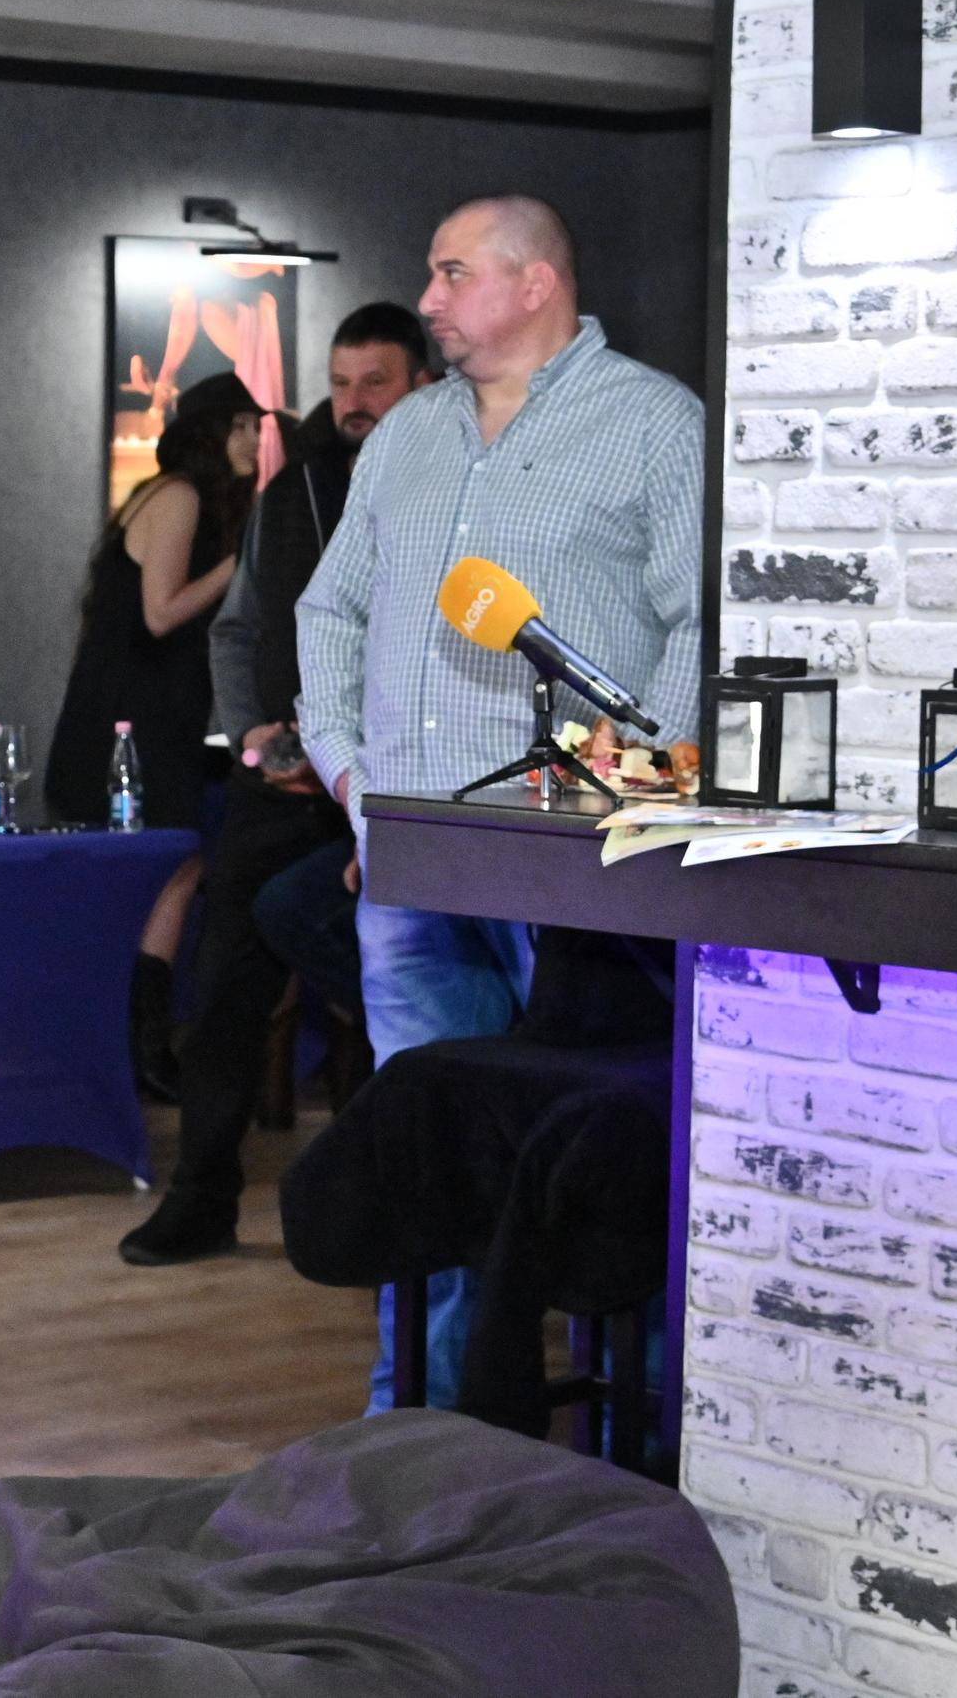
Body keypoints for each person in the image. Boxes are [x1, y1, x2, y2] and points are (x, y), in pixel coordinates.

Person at [297, 195, 700, 1404]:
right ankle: (424, 1419)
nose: (426, 298)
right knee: (426, 1163)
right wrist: (352, 778)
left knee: (593, 1160)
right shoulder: (405, 435)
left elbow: (699, 624)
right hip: (412, 860)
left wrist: (643, 784)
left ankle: (633, 1428)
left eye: (451, 272)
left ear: (534, 284)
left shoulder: (654, 424)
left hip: (577, 875)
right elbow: (331, 609)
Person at [120, 301, 431, 1265]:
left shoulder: (450, 479)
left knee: (394, 981)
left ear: (422, 383)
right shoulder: (293, 488)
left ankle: (390, 1197)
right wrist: (250, 725)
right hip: (284, 778)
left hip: (387, 782)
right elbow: (238, 627)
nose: (354, 402)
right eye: (340, 384)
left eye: (375, 382)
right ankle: (201, 1196)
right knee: (224, 991)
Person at [42, 371, 256, 1097]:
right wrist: (240, 564)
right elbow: (161, 612)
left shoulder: (177, 498)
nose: (254, 440)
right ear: (212, 433)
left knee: (166, 869)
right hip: (131, 724)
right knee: (171, 867)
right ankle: (143, 1050)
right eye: (241, 426)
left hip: (148, 719)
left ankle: (132, 1048)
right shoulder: (180, 496)